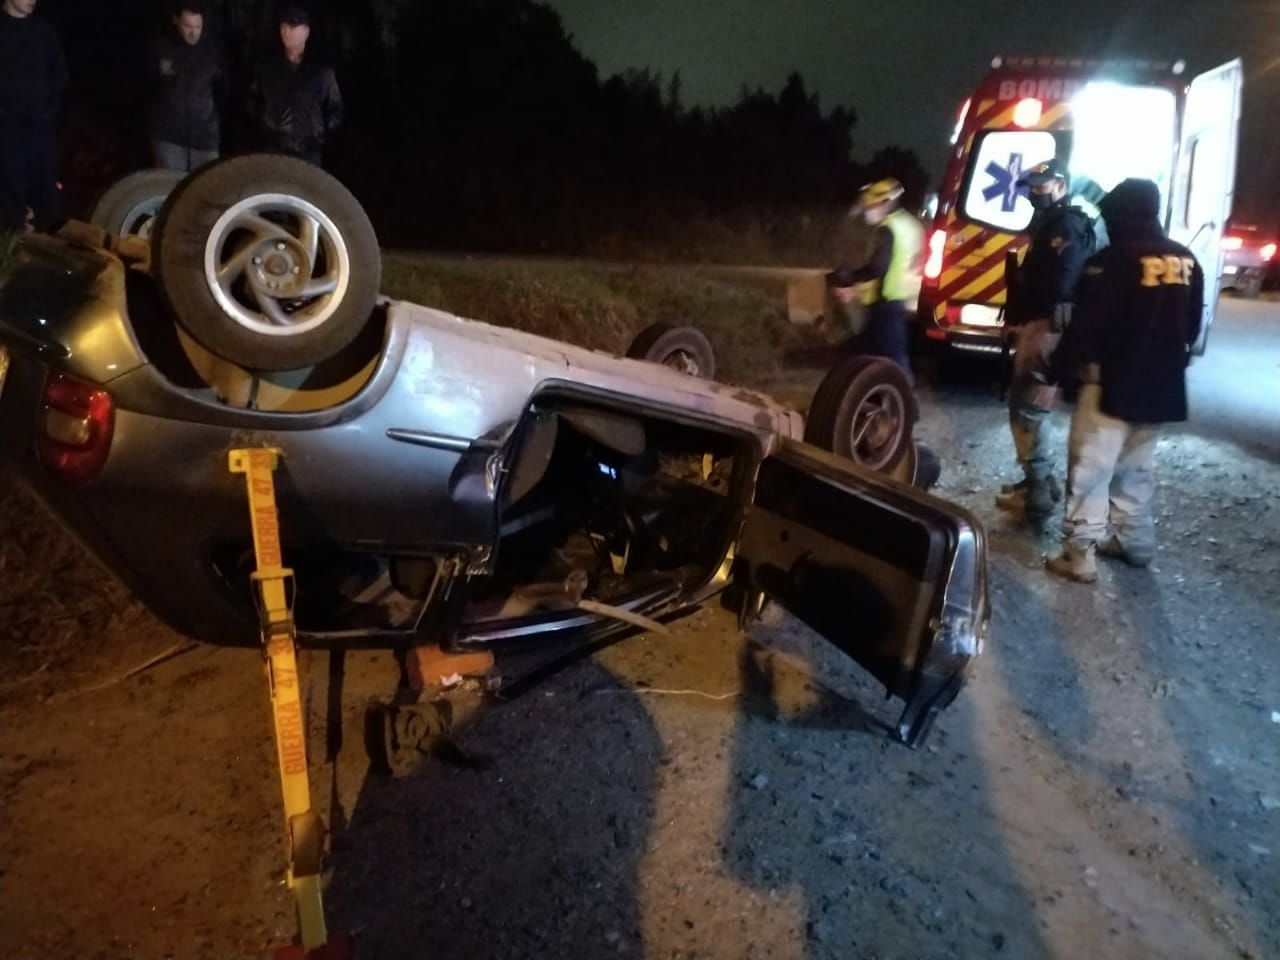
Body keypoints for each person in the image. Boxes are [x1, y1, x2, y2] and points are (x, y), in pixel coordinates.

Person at [1043, 178, 1203, 583]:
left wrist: (1059, 372)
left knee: (1090, 469)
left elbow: (1086, 326)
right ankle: (1135, 543)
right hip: (1161, 387)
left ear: (1122, 214)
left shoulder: (1112, 261)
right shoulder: (1186, 260)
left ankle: (1079, 554)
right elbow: (1192, 328)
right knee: (1136, 468)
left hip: (1110, 384)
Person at [995, 157, 1095, 518]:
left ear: (1062, 185)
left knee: (1028, 405)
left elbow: (1057, 284)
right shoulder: (1050, 223)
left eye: (1044, 185)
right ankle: (1039, 481)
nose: (1036, 191)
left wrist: (1028, 314)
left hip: (1047, 326)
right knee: (1031, 404)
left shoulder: (1065, 224)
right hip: (1039, 324)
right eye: (1033, 186)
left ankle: (1037, 491)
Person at [825, 177, 924, 380]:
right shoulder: (909, 225)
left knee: (887, 359)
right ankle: (882, 397)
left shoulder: (887, 229)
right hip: (897, 299)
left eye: (871, 206)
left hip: (885, 303)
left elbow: (878, 267)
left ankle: (899, 401)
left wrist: (850, 278)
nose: (868, 210)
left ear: (884, 203)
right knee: (883, 356)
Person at [0, 0, 68, 232]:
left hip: (40, 129)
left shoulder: (43, 31)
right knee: (11, 197)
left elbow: (60, 75)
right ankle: (12, 255)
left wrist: (49, 109)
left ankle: (51, 253)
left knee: (47, 194)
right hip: (7, 131)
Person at [249, 4, 342, 166]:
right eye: (285, 27)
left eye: (294, 27)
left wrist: (320, 135)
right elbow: (253, 99)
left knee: (306, 190)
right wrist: (266, 127)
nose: (288, 32)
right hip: (275, 149)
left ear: (306, 32)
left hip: (309, 152)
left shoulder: (321, 71)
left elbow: (335, 109)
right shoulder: (267, 67)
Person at [148, 1, 224, 172]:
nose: (193, 32)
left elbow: (223, 89)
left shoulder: (213, 50)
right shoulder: (160, 48)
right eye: (187, 26)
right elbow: (147, 86)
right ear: (176, 21)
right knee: (170, 192)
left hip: (204, 138)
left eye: (198, 26)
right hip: (168, 137)